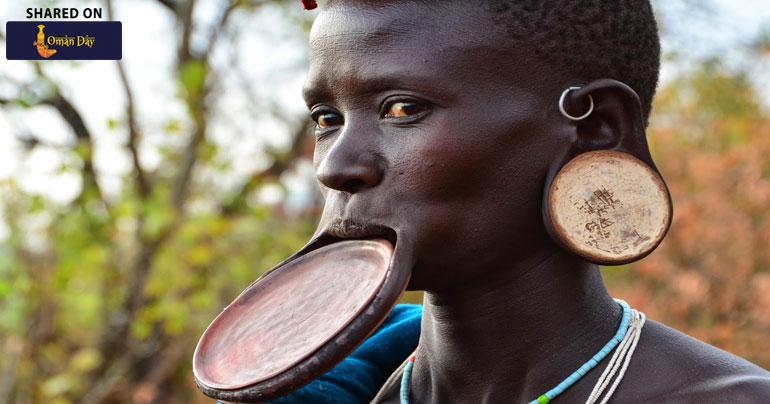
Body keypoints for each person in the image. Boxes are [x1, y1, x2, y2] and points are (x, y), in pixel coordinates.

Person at [275, 0, 770, 402]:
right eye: (327, 118)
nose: (335, 167)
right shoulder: (326, 391)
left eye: (401, 109)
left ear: (597, 130)